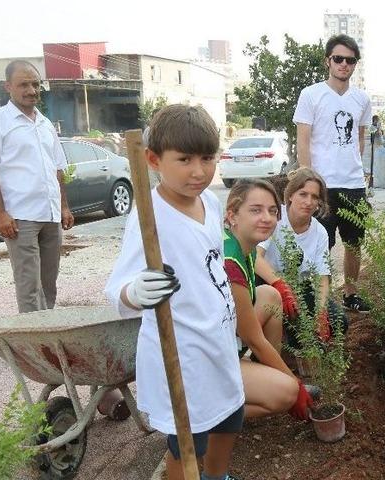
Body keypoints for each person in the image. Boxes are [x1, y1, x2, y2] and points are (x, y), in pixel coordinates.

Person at [105, 105, 244, 480]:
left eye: (207, 158)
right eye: (184, 159)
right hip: (182, 354)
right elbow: (116, 288)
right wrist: (137, 290)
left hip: (217, 341)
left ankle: (216, 477)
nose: (198, 171)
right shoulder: (150, 216)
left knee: (231, 418)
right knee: (187, 440)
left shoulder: (210, 203)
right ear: (153, 160)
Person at [0, 60, 74, 313]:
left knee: (49, 283)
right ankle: (34, 343)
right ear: (8, 87)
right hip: (20, 217)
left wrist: (64, 207)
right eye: (23, 84)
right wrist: (0, 213)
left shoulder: (45, 123)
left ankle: (47, 337)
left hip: (50, 214)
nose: (31, 90)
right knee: (29, 285)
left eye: (35, 84)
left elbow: (57, 168)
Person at [222, 179, 314, 421]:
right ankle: (209, 419)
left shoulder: (243, 245)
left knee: (270, 296)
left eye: (272, 211)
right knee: (286, 393)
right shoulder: (229, 264)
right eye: (255, 210)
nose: (267, 218)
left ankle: (258, 377)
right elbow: (254, 337)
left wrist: (279, 284)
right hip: (207, 362)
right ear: (232, 214)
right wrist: (296, 386)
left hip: (225, 340)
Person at [293, 33, 373, 313]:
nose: (344, 65)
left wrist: (352, 165)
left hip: (352, 184)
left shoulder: (362, 98)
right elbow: (303, 138)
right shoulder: (311, 95)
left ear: (355, 65)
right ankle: (311, 297)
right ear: (328, 61)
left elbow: (360, 139)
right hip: (322, 185)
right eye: (338, 59)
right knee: (317, 243)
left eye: (350, 60)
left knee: (353, 243)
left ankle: (350, 294)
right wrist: (308, 179)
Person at [255, 168, 347, 345]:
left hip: (299, 287)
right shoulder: (275, 217)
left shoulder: (320, 232)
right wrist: (278, 284)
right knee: (285, 324)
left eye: (314, 197)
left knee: (338, 321)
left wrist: (321, 312)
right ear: (290, 195)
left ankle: (295, 344)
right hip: (267, 283)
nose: (308, 202)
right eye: (303, 194)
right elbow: (255, 257)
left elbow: (322, 276)